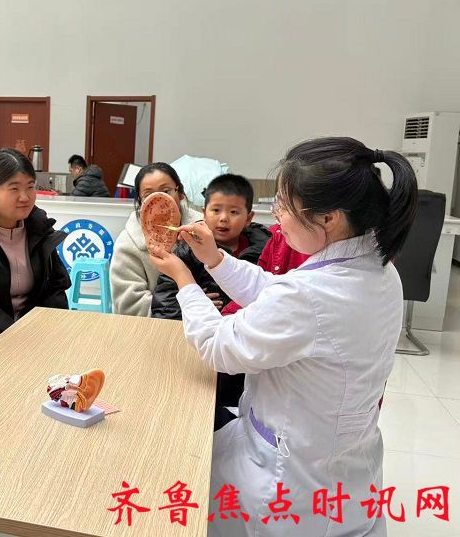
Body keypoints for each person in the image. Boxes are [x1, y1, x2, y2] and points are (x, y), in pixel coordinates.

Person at [150, 137, 417, 536]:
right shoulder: (377, 270)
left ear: (329, 218)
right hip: (342, 465)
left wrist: (184, 279)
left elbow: (220, 347)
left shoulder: (312, 294)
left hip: (288, 481)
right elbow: (275, 293)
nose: (276, 218)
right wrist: (215, 259)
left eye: (284, 206)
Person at [0, 148, 71, 348]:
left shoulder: (41, 230)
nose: (25, 197)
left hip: (37, 338)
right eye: (14, 188)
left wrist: (49, 331)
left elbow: (55, 287)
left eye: (30, 187)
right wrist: (16, 336)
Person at [151, 174, 271, 319]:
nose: (223, 218)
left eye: (233, 212)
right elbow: (164, 304)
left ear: (248, 218)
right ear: (204, 213)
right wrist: (195, 304)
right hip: (200, 327)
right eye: (216, 210)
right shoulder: (188, 249)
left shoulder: (266, 249)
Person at [110, 162, 202, 317]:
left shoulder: (203, 230)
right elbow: (128, 305)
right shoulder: (128, 244)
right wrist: (190, 306)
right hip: (154, 326)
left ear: (180, 193)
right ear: (140, 202)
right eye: (148, 195)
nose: (159, 200)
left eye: (166, 191)